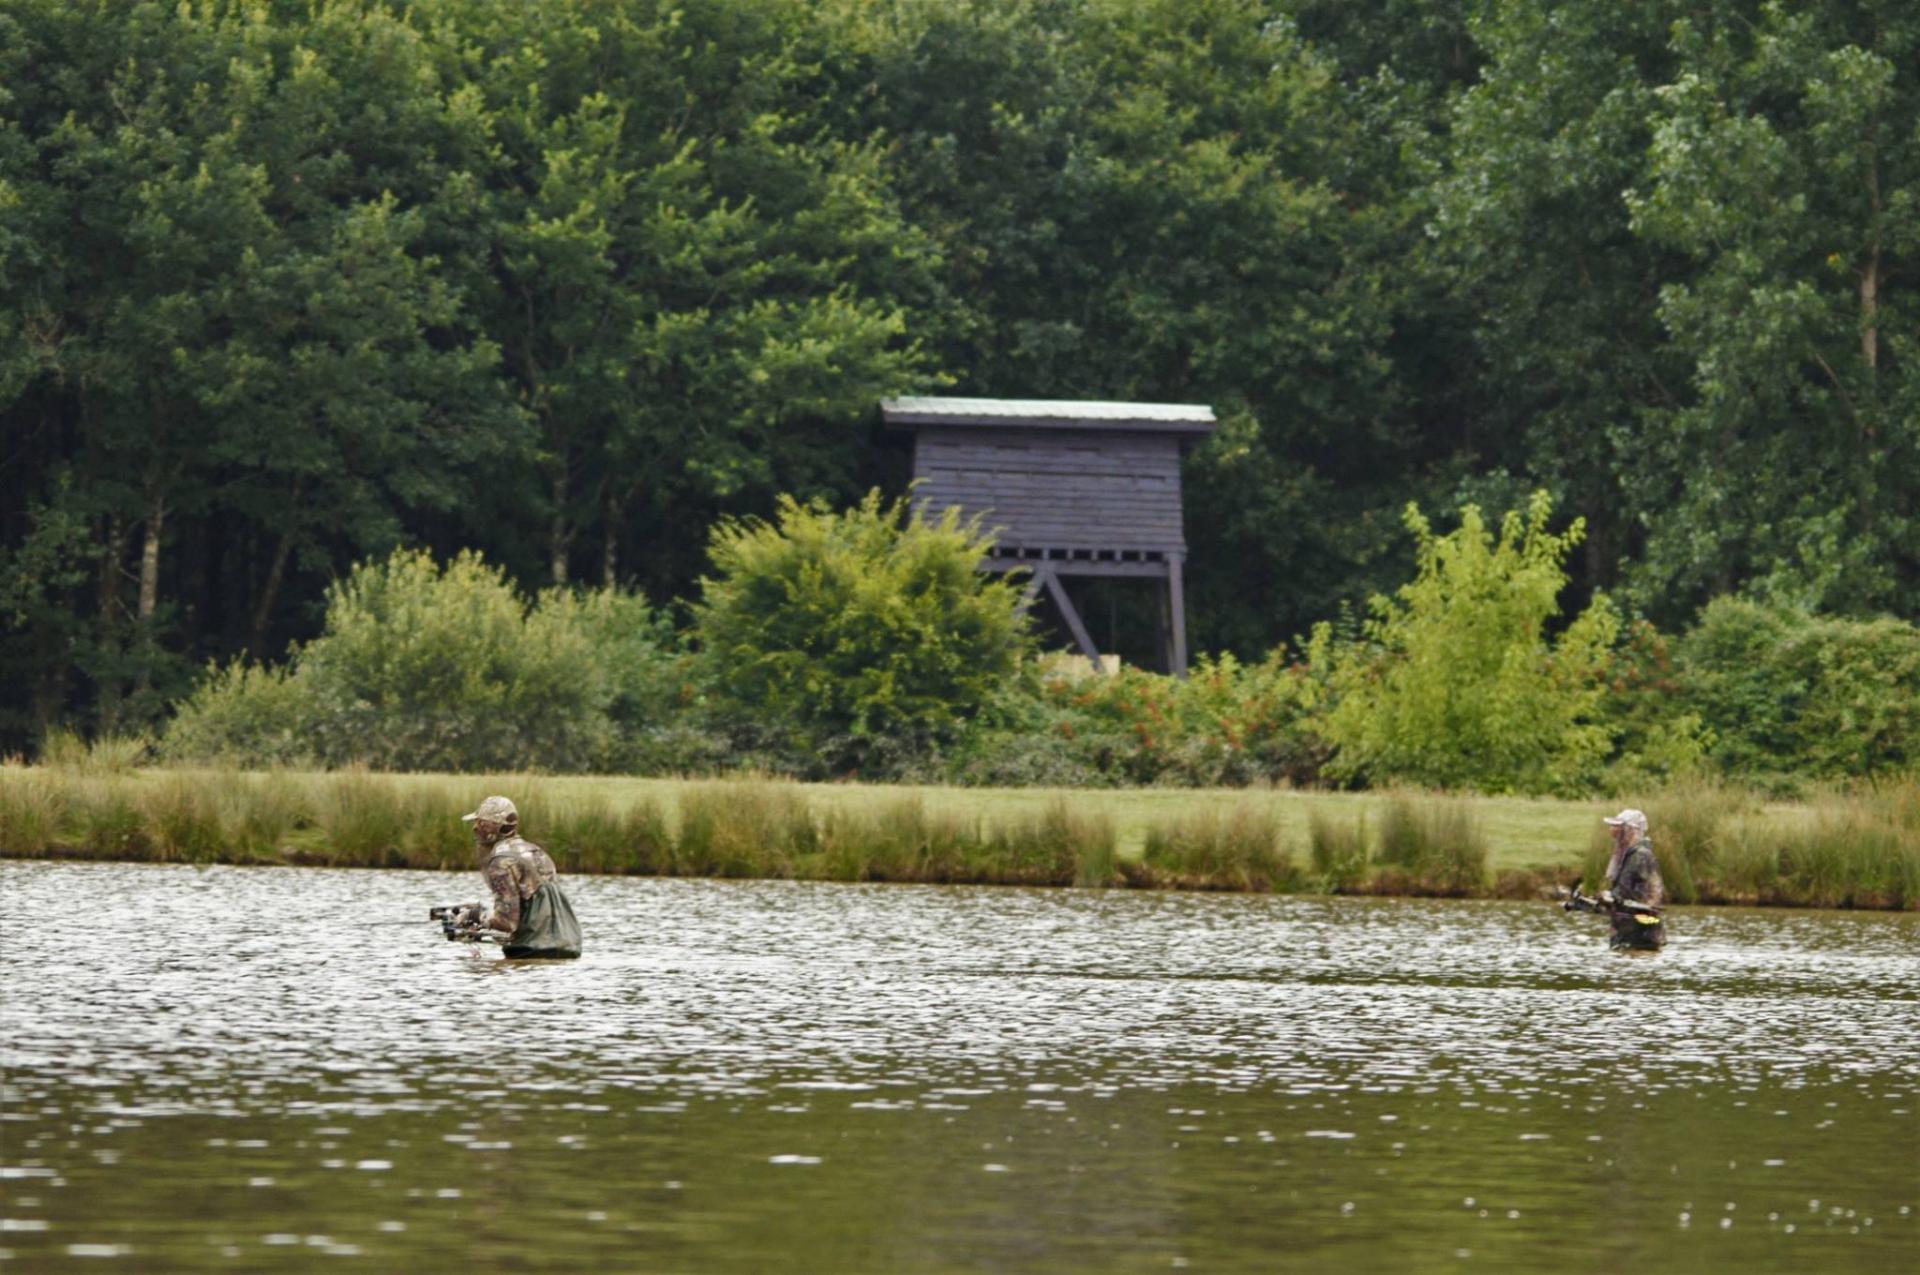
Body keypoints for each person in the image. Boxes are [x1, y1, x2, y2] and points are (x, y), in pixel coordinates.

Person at [458, 795, 582, 959]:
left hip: (532, 953)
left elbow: (507, 923)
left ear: (495, 827)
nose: (475, 828)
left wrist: (475, 916)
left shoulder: (500, 863)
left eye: (481, 823)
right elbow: (529, 908)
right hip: (568, 950)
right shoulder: (537, 852)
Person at [1598, 808, 1665, 951]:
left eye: (1618, 827)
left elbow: (1627, 893)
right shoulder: (1630, 855)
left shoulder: (1639, 856)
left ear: (1630, 830)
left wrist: (1610, 897)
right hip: (1629, 934)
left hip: (1639, 937)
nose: (1613, 830)